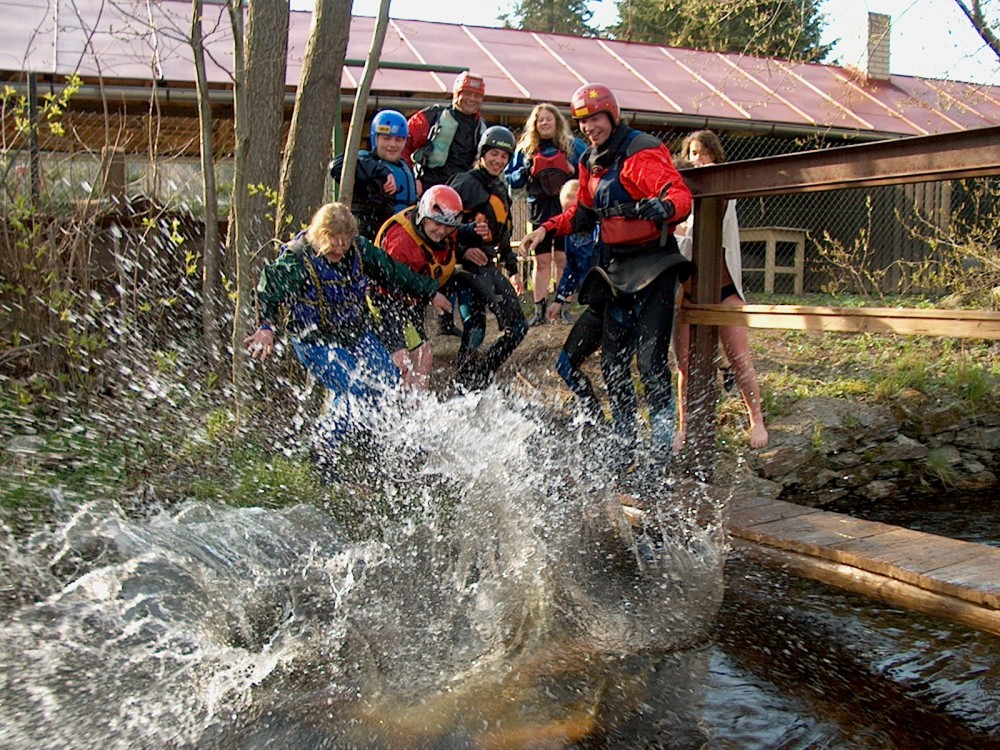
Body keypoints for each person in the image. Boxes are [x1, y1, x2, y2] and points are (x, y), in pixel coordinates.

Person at [520, 83, 692, 473]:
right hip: (616, 270)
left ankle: (660, 453)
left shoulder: (640, 151)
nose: (589, 128)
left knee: (650, 363)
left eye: (595, 119)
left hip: (654, 265)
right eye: (582, 122)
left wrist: (664, 207)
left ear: (612, 116)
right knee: (614, 365)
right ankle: (625, 444)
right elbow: (581, 213)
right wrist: (545, 229)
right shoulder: (589, 161)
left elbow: (679, 194)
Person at [243, 202, 452, 446]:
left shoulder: (359, 249)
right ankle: (324, 449)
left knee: (388, 381)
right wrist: (265, 327)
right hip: (315, 340)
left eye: (345, 244)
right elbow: (266, 292)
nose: (340, 251)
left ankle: (372, 444)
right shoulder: (297, 259)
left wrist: (430, 292)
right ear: (320, 237)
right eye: (334, 244)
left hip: (355, 333)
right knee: (356, 389)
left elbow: (394, 272)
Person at [673, 129, 769, 450]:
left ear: (715, 156)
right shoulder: (677, 200)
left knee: (739, 358)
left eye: (703, 153)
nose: (698, 160)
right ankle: (685, 427)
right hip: (688, 297)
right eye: (692, 154)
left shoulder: (723, 193)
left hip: (724, 291)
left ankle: (756, 419)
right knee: (685, 366)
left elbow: (697, 231)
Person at [373, 184, 485, 390]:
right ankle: (399, 403)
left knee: (423, 354)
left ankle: (417, 403)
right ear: (424, 215)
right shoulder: (401, 243)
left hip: (411, 301)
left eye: (448, 226)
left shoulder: (443, 228)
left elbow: (454, 237)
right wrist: (396, 343)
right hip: (384, 303)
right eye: (437, 224)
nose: (442, 231)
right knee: (405, 358)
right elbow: (389, 287)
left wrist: (472, 231)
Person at [404, 71, 487, 336]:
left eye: (476, 95)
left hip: (458, 199)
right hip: (429, 196)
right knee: (420, 255)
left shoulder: (481, 128)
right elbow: (404, 141)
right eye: (467, 94)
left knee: (448, 255)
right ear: (456, 94)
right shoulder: (433, 117)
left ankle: (446, 321)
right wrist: (411, 177)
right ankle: (413, 320)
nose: (471, 99)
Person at [447, 125, 528, 388]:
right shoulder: (465, 183)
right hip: (464, 269)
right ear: (482, 154)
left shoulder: (501, 188)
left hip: (488, 268)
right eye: (493, 154)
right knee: (475, 328)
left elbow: (503, 236)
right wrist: (463, 250)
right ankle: (462, 385)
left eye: (504, 156)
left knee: (519, 327)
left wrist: (513, 271)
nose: (498, 161)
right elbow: (438, 227)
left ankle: (482, 378)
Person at [505, 103, 586, 326]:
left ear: (557, 122)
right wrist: (525, 170)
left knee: (562, 258)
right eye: (540, 119)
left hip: (564, 208)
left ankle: (563, 307)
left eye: (549, 119)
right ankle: (539, 309)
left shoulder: (573, 146)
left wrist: (573, 170)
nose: (545, 123)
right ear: (535, 124)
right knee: (541, 261)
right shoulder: (526, 149)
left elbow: (590, 168)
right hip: (538, 208)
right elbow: (511, 178)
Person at [549, 179, 608, 420]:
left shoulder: (604, 226)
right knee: (565, 365)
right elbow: (571, 268)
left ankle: (625, 427)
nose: (570, 216)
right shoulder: (571, 234)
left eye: (572, 208)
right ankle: (595, 415)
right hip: (595, 307)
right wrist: (559, 299)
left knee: (614, 367)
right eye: (565, 211)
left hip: (616, 303)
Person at [329, 109, 420, 240]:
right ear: (375, 138)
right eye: (386, 138)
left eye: (398, 140)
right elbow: (336, 165)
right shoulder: (364, 161)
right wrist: (381, 171)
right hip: (369, 237)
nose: (392, 144)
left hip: (399, 238)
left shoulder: (406, 168)